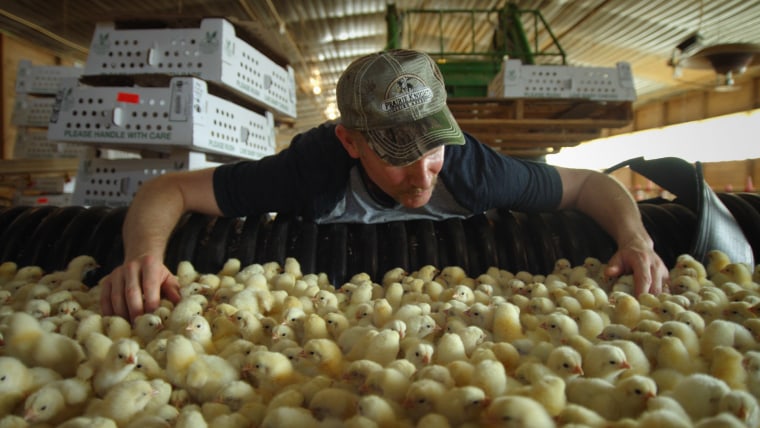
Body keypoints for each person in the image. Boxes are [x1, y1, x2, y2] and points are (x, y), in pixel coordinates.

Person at [100, 49, 669, 322]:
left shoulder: (474, 169)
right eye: (397, 156)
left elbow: (590, 186)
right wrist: (142, 257)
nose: (422, 174)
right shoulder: (311, 169)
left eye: (433, 148)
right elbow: (166, 190)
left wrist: (636, 240)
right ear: (351, 142)